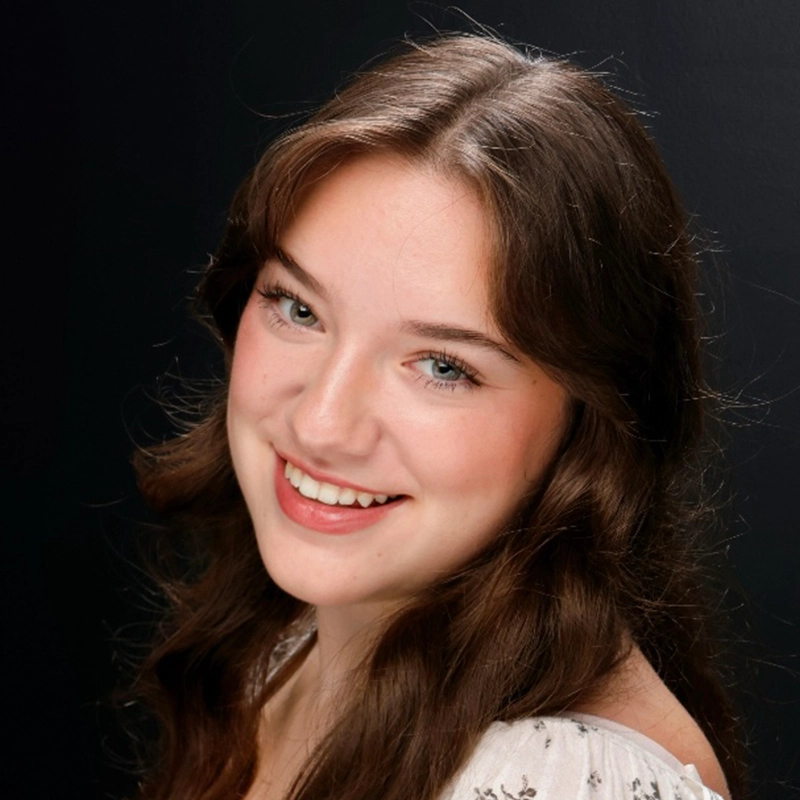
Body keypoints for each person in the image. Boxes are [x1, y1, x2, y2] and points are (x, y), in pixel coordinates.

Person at [132, 33, 744, 800]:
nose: (322, 423)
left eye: (444, 367)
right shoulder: (299, 643)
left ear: (593, 420)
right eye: (298, 307)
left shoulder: (566, 782)